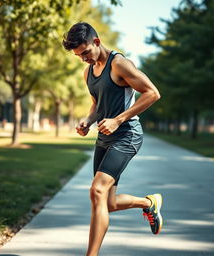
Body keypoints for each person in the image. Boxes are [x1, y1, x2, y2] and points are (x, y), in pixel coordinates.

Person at [63, 22, 163, 256]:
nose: (83, 59)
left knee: (96, 191)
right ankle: (149, 203)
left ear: (96, 42)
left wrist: (118, 119)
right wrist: (88, 121)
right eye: (78, 56)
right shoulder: (87, 72)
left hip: (127, 134)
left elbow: (153, 93)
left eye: (85, 52)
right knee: (107, 203)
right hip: (105, 138)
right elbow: (98, 104)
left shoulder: (119, 64)